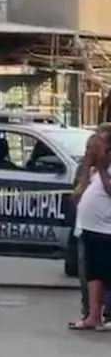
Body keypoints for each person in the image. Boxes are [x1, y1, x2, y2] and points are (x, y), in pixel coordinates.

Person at [71, 124, 111, 330]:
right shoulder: (97, 171)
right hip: (91, 230)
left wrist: (103, 169)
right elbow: (79, 195)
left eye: (100, 144)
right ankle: (93, 315)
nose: (95, 150)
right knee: (93, 275)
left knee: (106, 275)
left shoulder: (106, 169)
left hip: (106, 231)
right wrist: (87, 167)